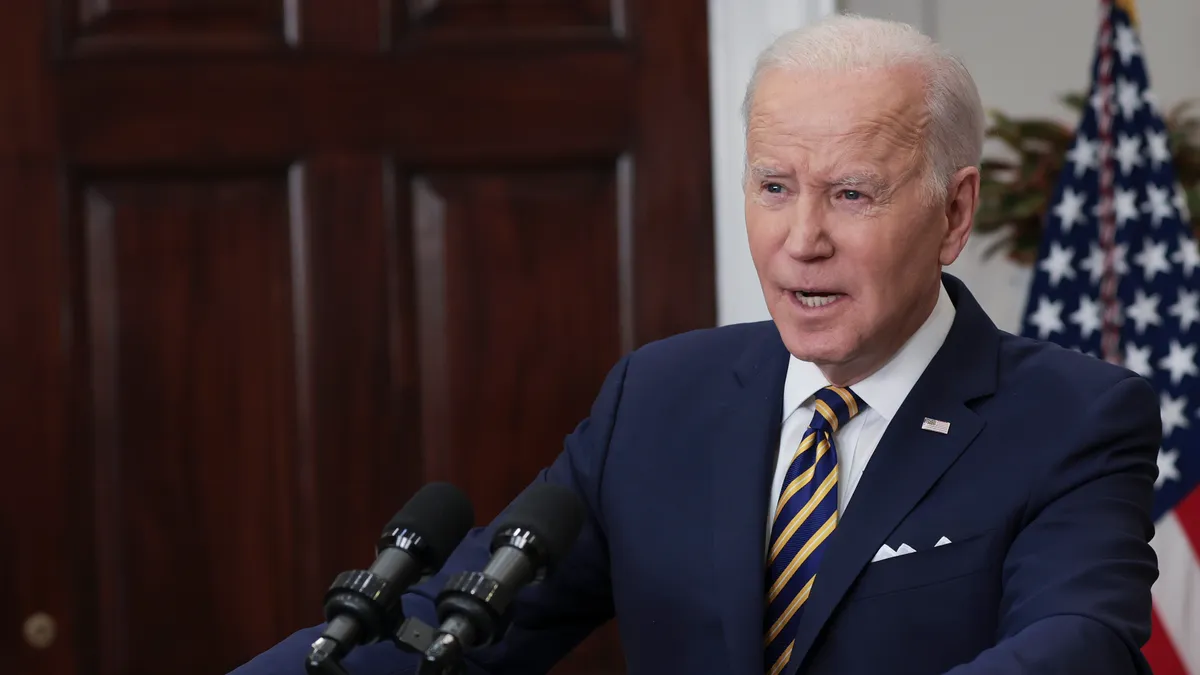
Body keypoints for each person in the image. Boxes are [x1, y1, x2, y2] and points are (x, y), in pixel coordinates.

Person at [230, 13, 1161, 675]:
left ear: (954, 212)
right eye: (773, 187)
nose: (803, 238)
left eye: (851, 193)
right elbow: (464, 614)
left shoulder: (1072, 418)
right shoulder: (660, 395)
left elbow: (1078, 642)